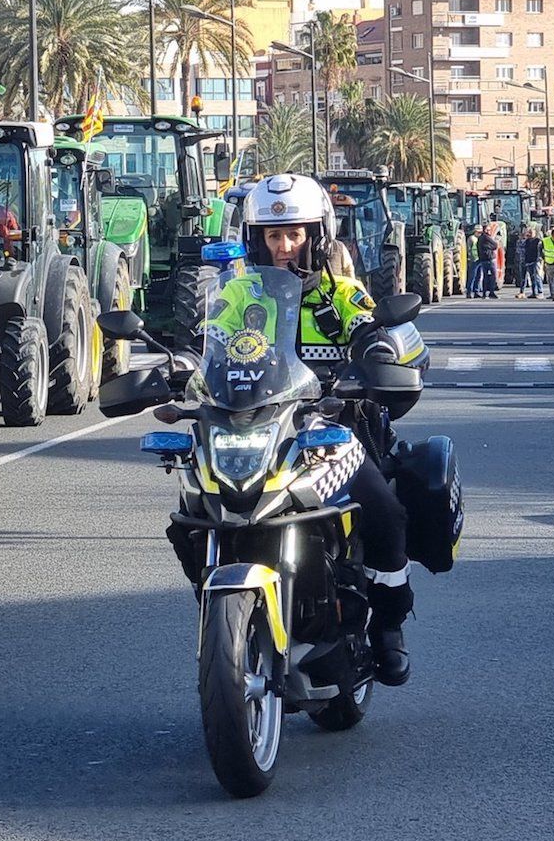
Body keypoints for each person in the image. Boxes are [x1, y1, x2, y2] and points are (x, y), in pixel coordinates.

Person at [163, 174, 416, 686]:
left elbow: (373, 333)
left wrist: (375, 355)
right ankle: (224, 609)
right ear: (257, 240)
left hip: (328, 431)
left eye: (294, 235)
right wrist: (179, 369)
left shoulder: (341, 294)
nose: (284, 246)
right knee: (193, 506)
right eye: (274, 237)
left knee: (385, 512)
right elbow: (207, 341)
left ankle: (389, 630)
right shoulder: (240, 294)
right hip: (253, 426)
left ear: (316, 236)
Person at [474, 219, 500, 298]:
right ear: (486, 230)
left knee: (485, 276)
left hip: (483, 260)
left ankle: (485, 293)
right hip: (489, 259)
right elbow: (495, 245)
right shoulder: (487, 237)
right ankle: (491, 292)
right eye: (488, 229)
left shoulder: (480, 238)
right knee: (493, 276)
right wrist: (491, 248)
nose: (489, 231)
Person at [520, 224, 544, 298]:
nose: (529, 234)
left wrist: (539, 260)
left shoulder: (538, 241)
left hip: (535, 261)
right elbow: (522, 250)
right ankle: (534, 292)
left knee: (536, 277)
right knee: (531, 278)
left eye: (531, 232)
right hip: (528, 261)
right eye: (528, 232)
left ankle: (540, 292)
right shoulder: (526, 241)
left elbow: (541, 251)